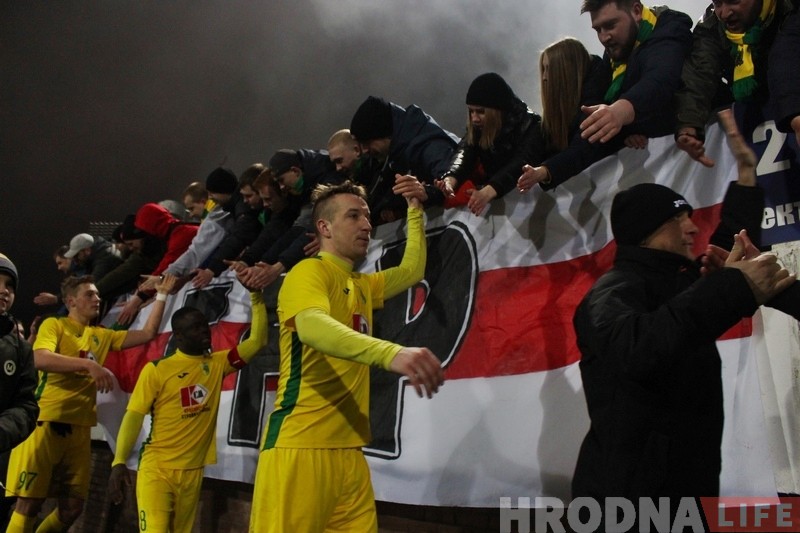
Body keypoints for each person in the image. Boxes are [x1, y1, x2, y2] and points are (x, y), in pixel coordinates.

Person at [571, 110, 800, 510]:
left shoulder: (676, 281)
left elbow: (729, 247)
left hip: (683, 492)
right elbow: (638, 347)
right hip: (626, 501)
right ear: (647, 231)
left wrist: (747, 175)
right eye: (678, 220)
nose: (693, 228)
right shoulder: (611, 293)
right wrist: (733, 285)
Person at [249, 180, 444, 532]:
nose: (366, 225)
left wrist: (415, 211)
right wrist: (390, 353)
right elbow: (311, 326)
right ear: (324, 227)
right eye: (353, 216)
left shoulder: (361, 285)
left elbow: (412, 271)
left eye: (367, 216)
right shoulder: (308, 271)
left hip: (350, 452)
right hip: (301, 447)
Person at [5, 274, 176, 532]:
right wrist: (88, 365)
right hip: (45, 423)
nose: (97, 298)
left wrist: (162, 294)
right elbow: (39, 358)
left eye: (97, 294)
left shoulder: (101, 335)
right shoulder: (55, 324)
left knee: (72, 508)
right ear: (71, 301)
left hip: (80, 428)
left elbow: (148, 333)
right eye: (89, 294)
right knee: (29, 504)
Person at [108, 278, 268, 533]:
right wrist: (119, 461)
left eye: (205, 326)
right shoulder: (157, 370)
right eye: (196, 328)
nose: (205, 331)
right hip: (157, 470)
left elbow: (257, 341)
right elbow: (134, 416)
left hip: (192, 473)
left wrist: (256, 298)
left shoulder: (218, 364)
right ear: (179, 336)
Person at [517, 0, 692, 192]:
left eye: (610, 26)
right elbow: (593, 132)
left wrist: (621, 112)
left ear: (636, 11)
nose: (604, 37)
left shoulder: (668, 32)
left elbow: (660, 80)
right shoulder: (612, 57)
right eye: (597, 30)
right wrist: (547, 171)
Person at [675, 0, 800, 167]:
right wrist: (689, 126)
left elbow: (786, 63)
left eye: (733, 1)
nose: (724, 13)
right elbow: (699, 74)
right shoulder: (711, 25)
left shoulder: (791, 7)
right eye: (717, 3)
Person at [436, 72, 545, 215]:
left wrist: (489, 190)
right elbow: (465, 151)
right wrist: (450, 179)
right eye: (471, 111)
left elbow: (521, 163)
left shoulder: (532, 126)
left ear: (497, 111)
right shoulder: (479, 127)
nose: (474, 118)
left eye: (480, 112)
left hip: (529, 203)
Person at [349, 96, 458, 223]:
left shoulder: (431, 147)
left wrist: (427, 193)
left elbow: (452, 184)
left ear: (384, 133)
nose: (364, 150)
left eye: (367, 143)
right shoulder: (396, 151)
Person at [0, 254, 38, 530]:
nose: (4, 290)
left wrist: (3, 429)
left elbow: (27, 406)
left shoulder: (20, 349)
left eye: (9, 285)